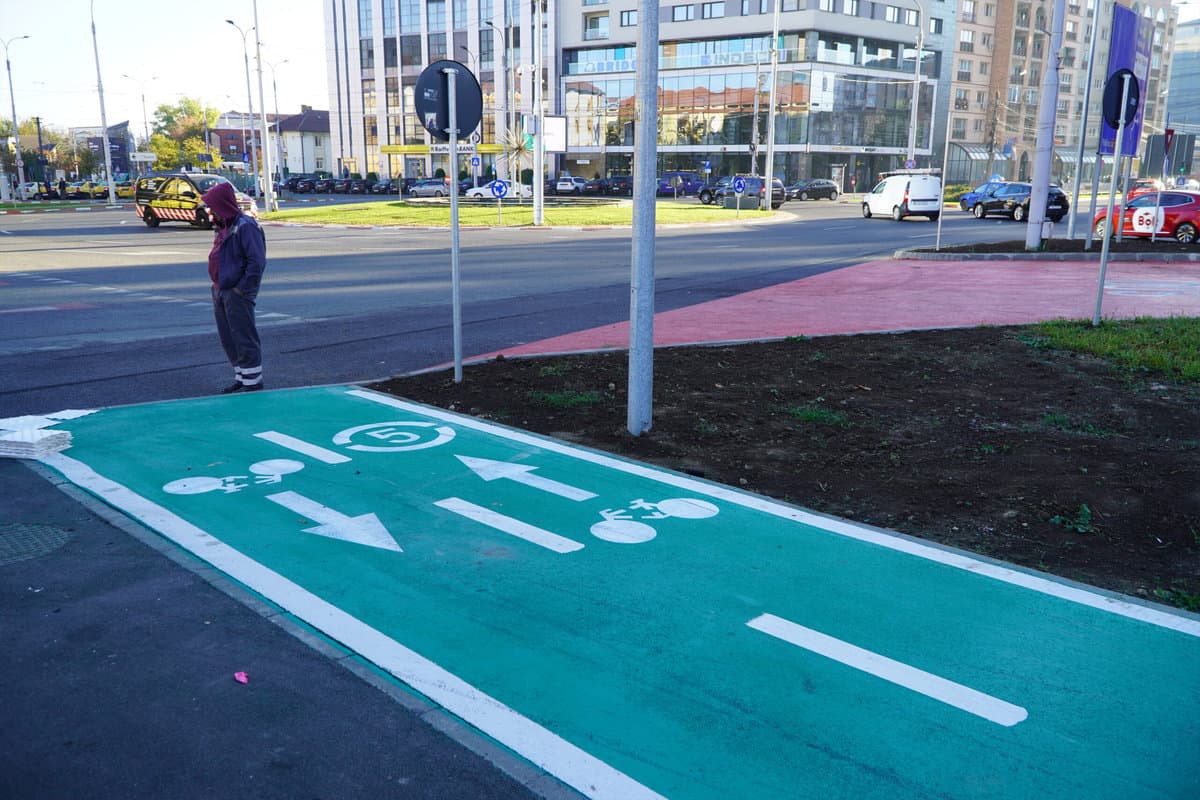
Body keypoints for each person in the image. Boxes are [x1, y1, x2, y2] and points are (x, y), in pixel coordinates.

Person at [201, 181, 267, 393]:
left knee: (243, 336)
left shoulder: (245, 226)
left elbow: (256, 262)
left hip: (236, 292)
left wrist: (242, 289)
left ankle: (253, 383)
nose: (210, 211)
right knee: (229, 337)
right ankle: (242, 376)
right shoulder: (225, 226)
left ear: (222, 205)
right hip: (221, 289)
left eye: (213, 206)